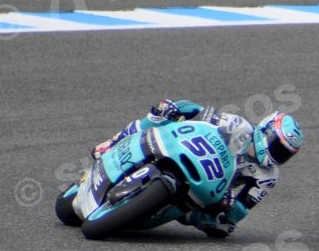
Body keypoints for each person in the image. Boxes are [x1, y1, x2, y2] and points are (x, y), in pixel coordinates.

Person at [92, 99, 303, 238]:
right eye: (277, 147)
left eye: (284, 154)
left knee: (222, 230)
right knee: (159, 115)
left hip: (211, 191)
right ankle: (111, 143)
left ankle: (164, 209)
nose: (278, 156)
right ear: (265, 131)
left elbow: (243, 208)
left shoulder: (267, 176)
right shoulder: (237, 125)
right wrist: (176, 107)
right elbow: (199, 112)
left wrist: (229, 207)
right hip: (190, 154)